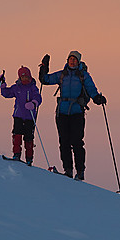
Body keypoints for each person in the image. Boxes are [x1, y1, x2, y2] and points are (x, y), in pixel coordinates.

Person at [38, 50, 106, 180]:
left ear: (78, 61)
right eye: (70, 59)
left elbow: (92, 89)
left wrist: (97, 98)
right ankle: (68, 170)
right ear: (67, 60)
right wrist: (44, 67)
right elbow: (45, 80)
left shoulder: (83, 75)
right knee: (64, 142)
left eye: (74, 59)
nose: (72, 61)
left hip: (77, 113)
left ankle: (80, 172)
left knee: (76, 142)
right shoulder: (62, 74)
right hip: (62, 113)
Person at [0, 66, 42, 165]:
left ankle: (29, 158)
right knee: (17, 135)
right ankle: (16, 154)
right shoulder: (16, 87)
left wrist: (34, 103)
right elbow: (7, 93)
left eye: (26, 76)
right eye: (22, 77)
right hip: (18, 115)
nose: (25, 79)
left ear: (30, 76)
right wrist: (2, 86)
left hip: (29, 117)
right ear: (19, 77)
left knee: (28, 138)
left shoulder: (33, 87)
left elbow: (38, 97)